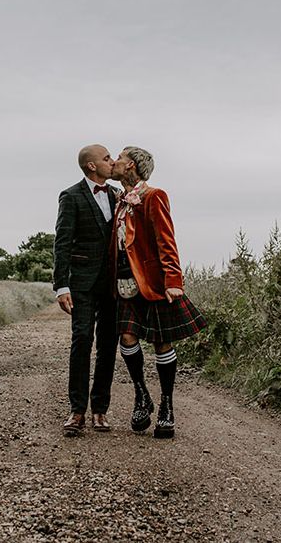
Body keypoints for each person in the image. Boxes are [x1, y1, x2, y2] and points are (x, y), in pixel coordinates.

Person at [110, 146, 207, 439]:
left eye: (119, 157)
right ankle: (141, 395)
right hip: (124, 282)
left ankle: (167, 406)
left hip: (152, 283)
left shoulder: (154, 196)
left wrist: (173, 280)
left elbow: (167, 239)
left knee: (161, 343)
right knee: (127, 337)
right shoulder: (120, 201)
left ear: (132, 166)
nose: (114, 161)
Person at [53, 144, 119, 437]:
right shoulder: (71, 196)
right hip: (81, 282)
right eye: (107, 158)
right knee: (81, 339)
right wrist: (61, 285)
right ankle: (77, 410)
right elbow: (62, 243)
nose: (112, 161)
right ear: (92, 166)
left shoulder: (118, 196)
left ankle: (100, 410)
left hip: (114, 284)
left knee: (108, 344)